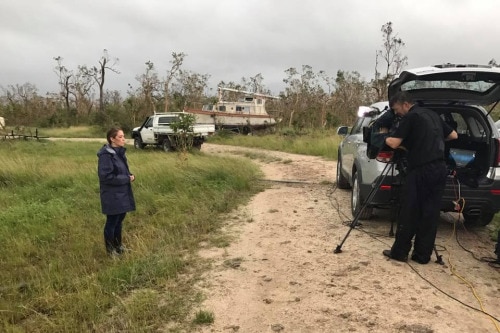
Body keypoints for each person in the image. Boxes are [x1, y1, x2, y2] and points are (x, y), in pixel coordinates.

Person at [382, 91, 458, 264]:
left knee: (410, 210)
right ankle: (422, 256)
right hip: (439, 169)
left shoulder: (411, 117)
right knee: (430, 212)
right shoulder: (433, 114)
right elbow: (454, 135)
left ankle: (400, 253)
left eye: (396, 109)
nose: (396, 113)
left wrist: (384, 136)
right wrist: (431, 141)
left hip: (420, 169)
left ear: (405, 104)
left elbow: (394, 143)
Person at [97, 127, 136, 256]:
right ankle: (110, 251)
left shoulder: (118, 152)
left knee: (119, 221)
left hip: (122, 193)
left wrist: (130, 175)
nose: (123, 139)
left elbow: (121, 171)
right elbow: (106, 176)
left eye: (123, 136)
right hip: (112, 195)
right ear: (112, 139)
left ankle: (119, 247)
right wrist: (126, 178)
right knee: (112, 222)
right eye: (120, 137)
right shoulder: (106, 155)